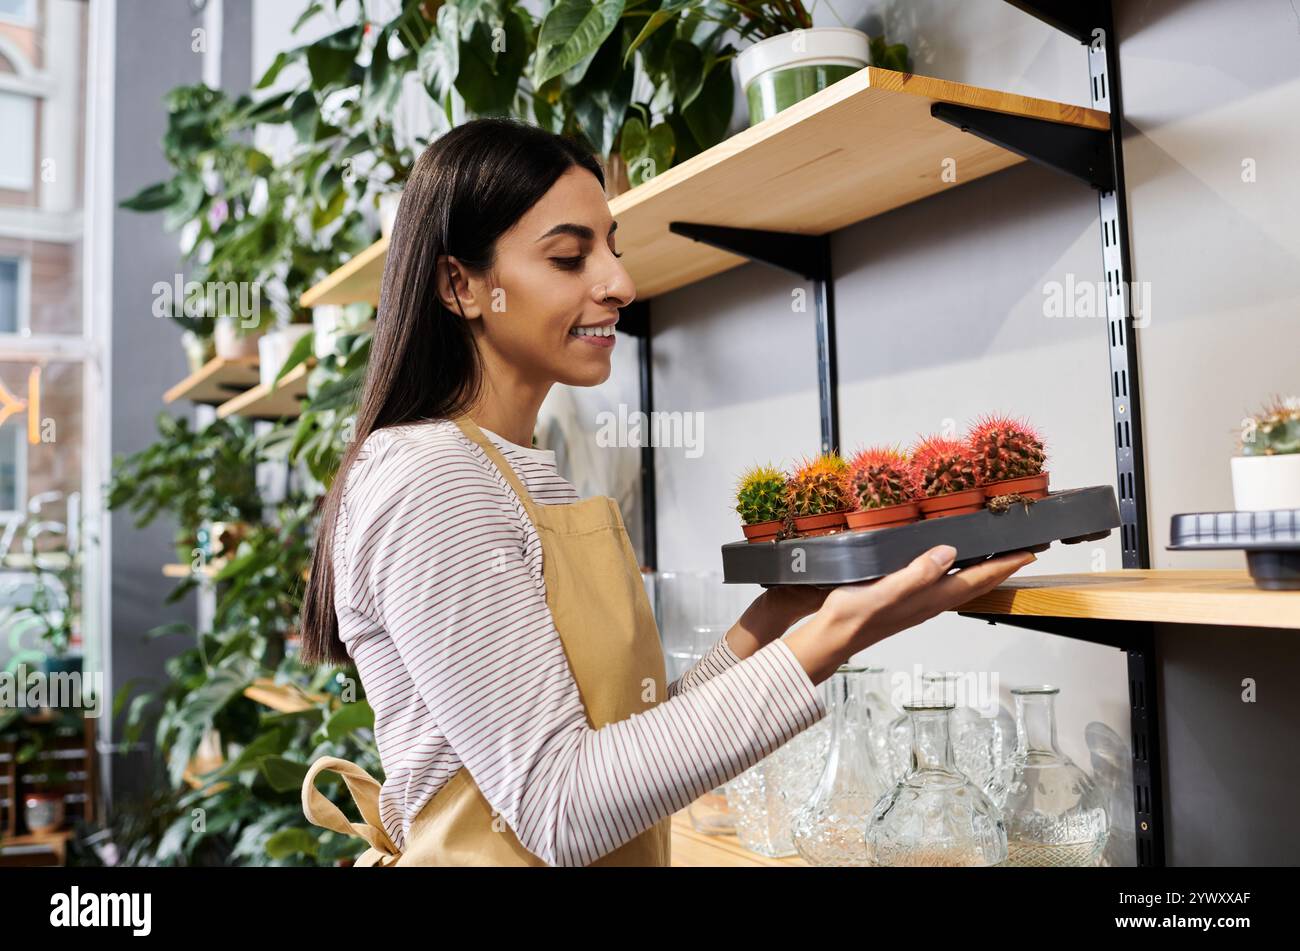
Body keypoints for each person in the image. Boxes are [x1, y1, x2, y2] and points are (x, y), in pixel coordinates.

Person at [296, 117, 1035, 867]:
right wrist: (827, 641)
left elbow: (627, 748)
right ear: (461, 285)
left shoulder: (521, 469)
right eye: (567, 257)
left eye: (611, 248)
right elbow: (562, 807)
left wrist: (778, 620)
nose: (620, 283)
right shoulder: (432, 476)